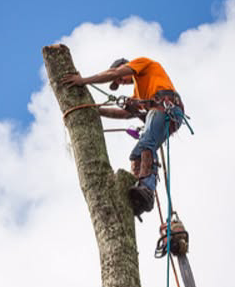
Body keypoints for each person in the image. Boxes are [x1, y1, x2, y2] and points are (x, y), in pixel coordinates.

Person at [61, 57, 184, 217]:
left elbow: (114, 73)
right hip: (162, 114)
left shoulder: (143, 63)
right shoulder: (139, 94)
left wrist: (82, 81)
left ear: (125, 67)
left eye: (120, 80)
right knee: (136, 154)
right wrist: (96, 111)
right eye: (118, 83)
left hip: (167, 108)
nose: (121, 82)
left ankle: (147, 189)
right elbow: (125, 114)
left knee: (147, 143)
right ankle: (137, 194)